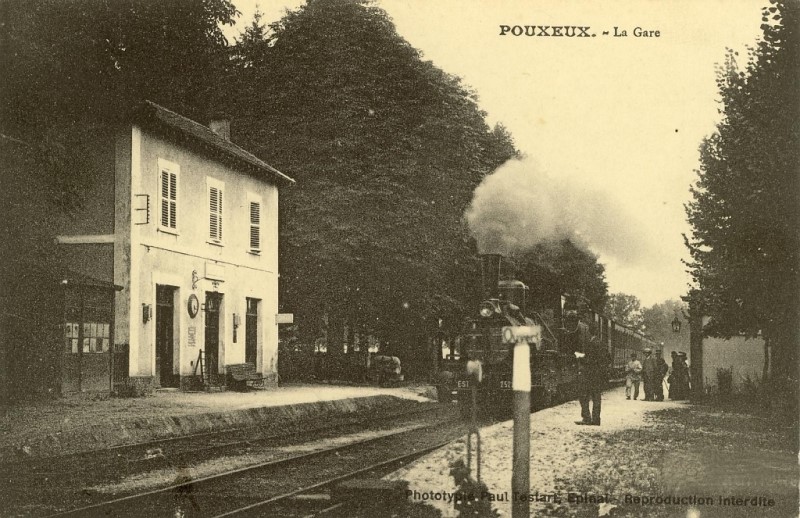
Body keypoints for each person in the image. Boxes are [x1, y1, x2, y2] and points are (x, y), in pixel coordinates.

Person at [575, 336, 611, 426]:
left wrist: (579, 357)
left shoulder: (591, 345)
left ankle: (586, 418)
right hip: (598, 376)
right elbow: (608, 359)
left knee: (583, 396)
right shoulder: (602, 345)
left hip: (589, 375)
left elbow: (588, 360)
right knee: (596, 397)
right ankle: (596, 419)